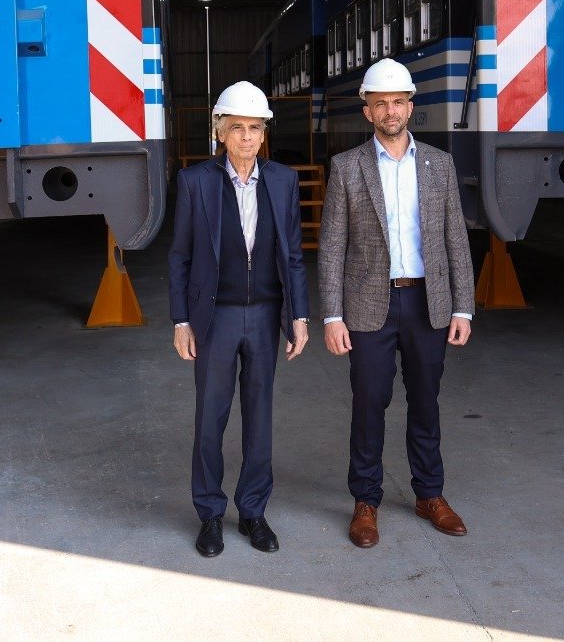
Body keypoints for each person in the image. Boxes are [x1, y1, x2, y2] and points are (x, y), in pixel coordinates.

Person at [319, 57, 475, 548]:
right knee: (369, 403)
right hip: (369, 306)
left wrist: (462, 307)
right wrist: (332, 315)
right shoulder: (347, 167)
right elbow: (331, 246)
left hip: (428, 302)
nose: (390, 110)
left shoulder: (439, 164)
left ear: (411, 106)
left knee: (425, 401)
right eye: (380, 103)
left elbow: (455, 239)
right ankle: (366, 501)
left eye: (398, 102)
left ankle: (430, 493)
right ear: (367, 111)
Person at [169, 80, 311, 557]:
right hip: (216, 317)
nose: (247, 137)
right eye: (237, 128)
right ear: (219, 132)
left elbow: (292, 255)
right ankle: (210, 513)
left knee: (260, 417)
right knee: (211, 417)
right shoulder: (195, 183)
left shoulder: (283, 180)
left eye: (255, 127)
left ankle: (253, 511)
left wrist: (300, 316)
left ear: (264, 132)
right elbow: (180, 258)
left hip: (265, 314)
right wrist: (181, 321)